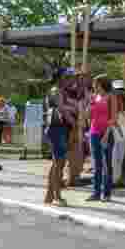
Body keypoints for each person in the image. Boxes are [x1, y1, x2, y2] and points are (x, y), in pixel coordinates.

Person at [45, 70, 77, 206]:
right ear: (60, 79)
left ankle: (50, 195)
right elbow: (61, 108)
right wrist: (73, 121)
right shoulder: (55, 91)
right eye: (67, 78)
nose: (70, 80)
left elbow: (67, 106)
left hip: (60, 128)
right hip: (56, 128)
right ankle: (56, 196)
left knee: (58, 162)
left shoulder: (62, 92)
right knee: (59, 162)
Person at [87, 75, 115, 202]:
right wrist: (89, 104)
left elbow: (113, 118)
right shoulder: (94, 97)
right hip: (94, 132)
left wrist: (106, 134)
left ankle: (107, 193)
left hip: (106, 133)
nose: (93, 86)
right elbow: (89, 115)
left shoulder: (111, 97)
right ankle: (96, 192)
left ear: (101, 84)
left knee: (106, 163)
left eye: (95, 84)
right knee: (96, 163)